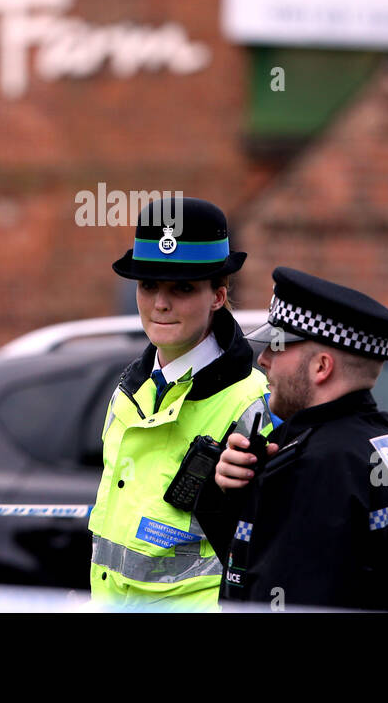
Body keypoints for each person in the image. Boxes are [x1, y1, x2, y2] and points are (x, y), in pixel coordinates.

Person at [195, 266, 388, 611]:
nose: (264, 359)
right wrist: (234, 496)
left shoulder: (320, 463)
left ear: (321, 367)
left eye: (278, 347)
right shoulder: (387, 440)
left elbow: (283, 596)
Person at [88, 197, 270, 610]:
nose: (160, 303)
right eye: (149, 285)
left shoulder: (251, 401)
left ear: (219, 296)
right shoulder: (129, 389)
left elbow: (263, 546)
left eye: (182, 288)